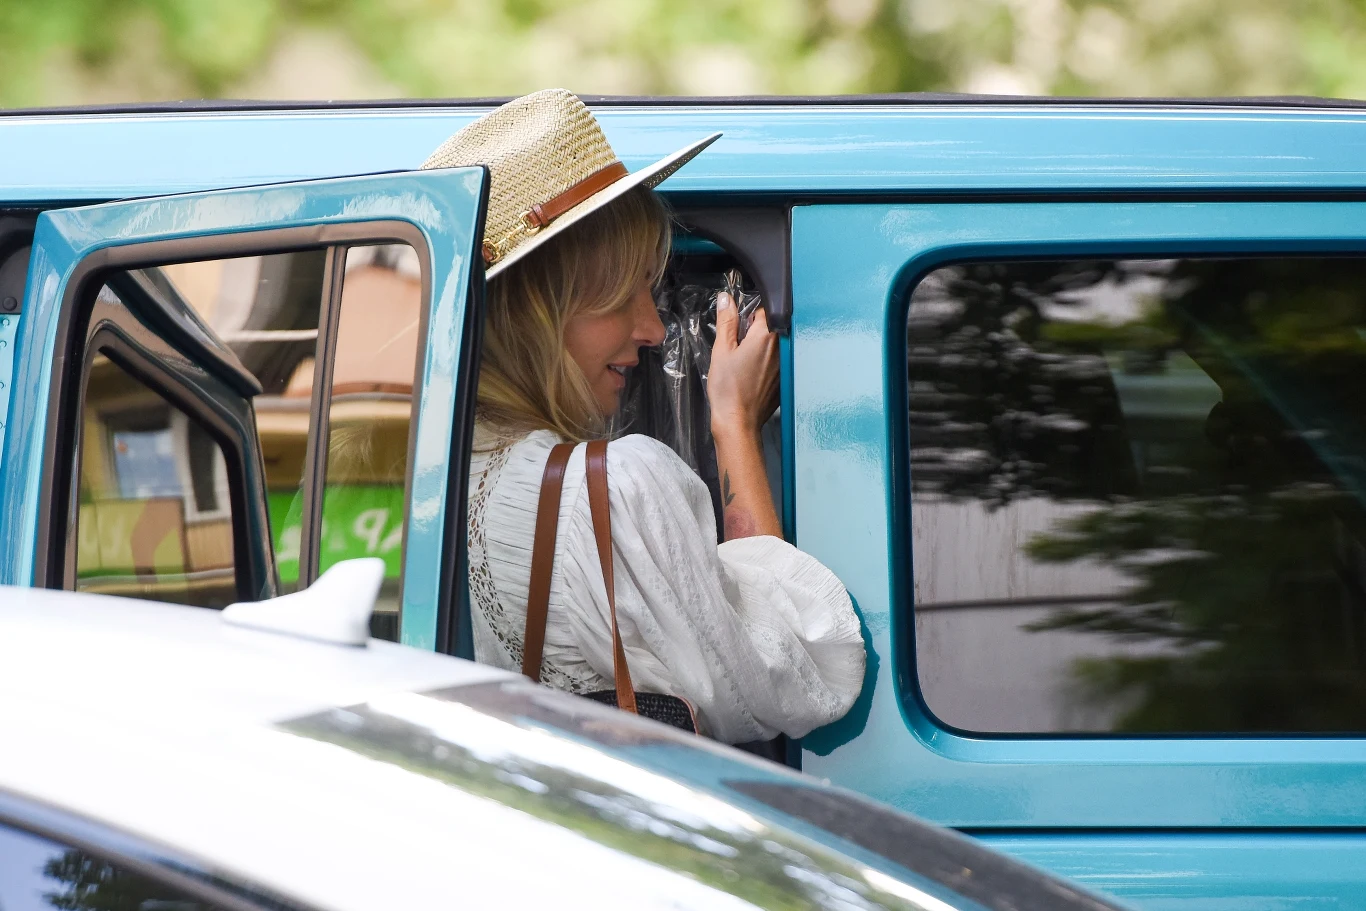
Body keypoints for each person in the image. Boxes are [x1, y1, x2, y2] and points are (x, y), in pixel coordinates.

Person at [423, 89, 865, 744]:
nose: (655, 328)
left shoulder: (431, 485)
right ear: (540, 311)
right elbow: (800, 667)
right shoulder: (615, 490)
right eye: (621, 293)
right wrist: (734, 424)